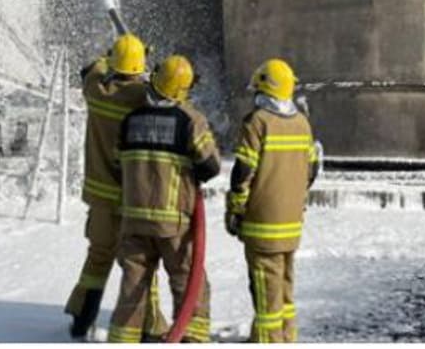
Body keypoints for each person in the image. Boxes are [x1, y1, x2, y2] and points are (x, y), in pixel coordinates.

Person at [107, 55, 221, 343]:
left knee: (134, 284)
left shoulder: (130, 120)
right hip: (173, 223)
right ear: (183, 90)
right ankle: (191, 337)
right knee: (188, 280)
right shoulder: (189, 121)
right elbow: (211, 165)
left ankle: (123, 339)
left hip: (133, 219)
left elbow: (117, 162)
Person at [65, 33, 168, 340]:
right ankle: (151, 327)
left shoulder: (97, 92)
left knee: (98, 257)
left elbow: (90, 69)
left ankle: (82, 318)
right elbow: (166, 92)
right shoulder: (144, 99)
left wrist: (109, 56)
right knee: (140, 265)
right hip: (133, 199)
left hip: (100, 198)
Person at [225, 58, 320, 343]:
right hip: (292, 225)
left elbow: (243, 172)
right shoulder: (302, 123)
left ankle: (267, 341)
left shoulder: (257, 122)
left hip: (261, 225)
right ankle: (285, 338)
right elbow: (311, 170)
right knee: (284, 290)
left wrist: (235, 209)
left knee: (265, 293)